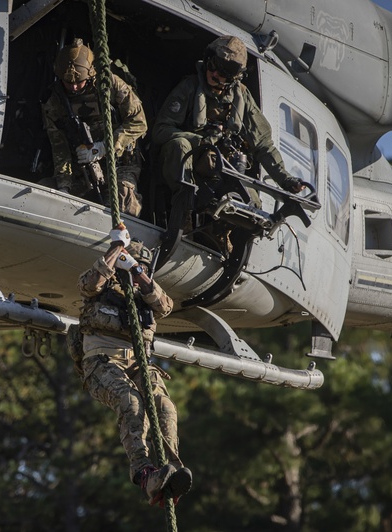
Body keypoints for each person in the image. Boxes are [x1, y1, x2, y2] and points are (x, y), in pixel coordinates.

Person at [76, 227, 192, 506]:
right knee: (131, 403)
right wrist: (116, 249)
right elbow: (90, 284)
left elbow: (164, 305)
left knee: (164, 406)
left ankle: (171, 468)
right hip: (101, 362)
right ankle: (143, 472)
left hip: (138, 363)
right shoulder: (99, 286)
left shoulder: (148, 296)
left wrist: (138, 271)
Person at [152, 36, 307, 237]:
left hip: (221, 167)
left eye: (225, 72)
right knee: (179, 144)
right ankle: (184, 212)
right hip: (190, 161)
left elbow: (263, 145)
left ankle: (222, 234)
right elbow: (161, 130)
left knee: (252, 201)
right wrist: (197, 141)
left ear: (235, 77)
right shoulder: (189, 88)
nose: (215, 73)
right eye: (214, 65)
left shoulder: (242, 98)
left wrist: (287, 181)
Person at [41, 39, 147, 217]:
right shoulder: (54, 104)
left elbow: (139, 122)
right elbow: (60, 148)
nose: (74, 87)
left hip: (121, 165)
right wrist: (64, 185)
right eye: (68, 82)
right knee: (44, 194)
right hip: (82, 170)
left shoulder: (111, 85)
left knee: (123, 203)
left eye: (79, 81)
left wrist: (106, 146)